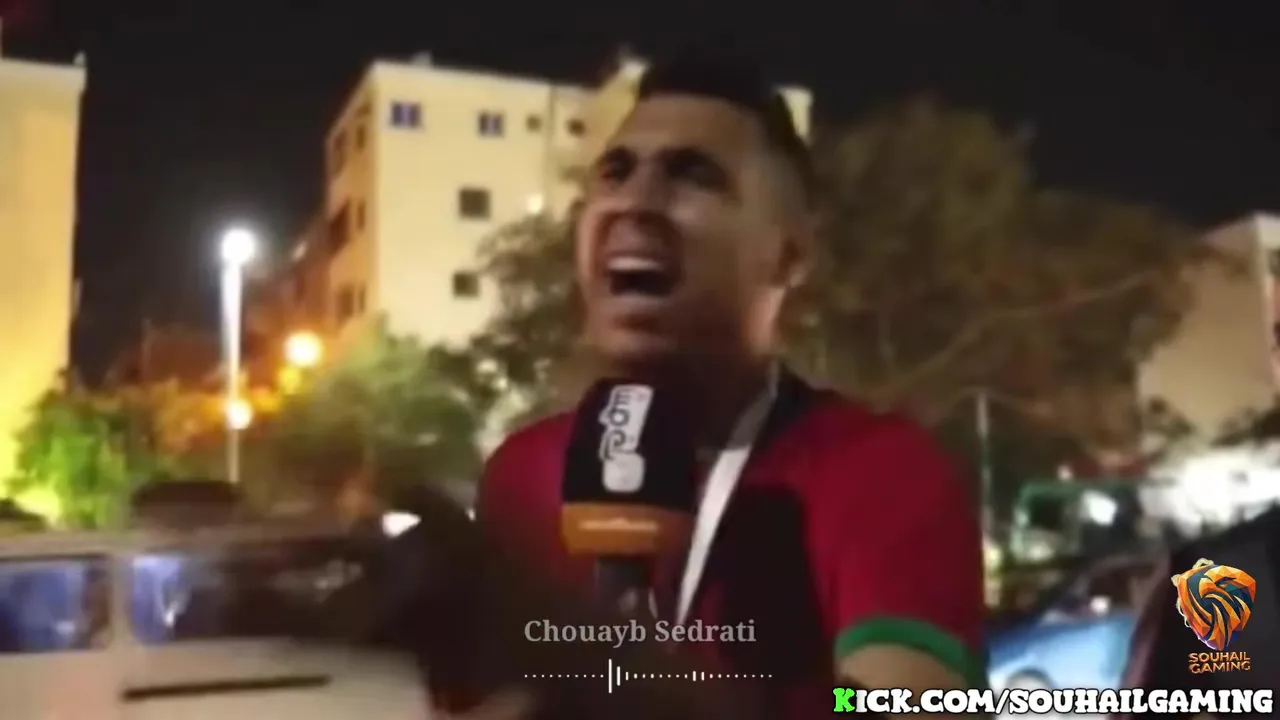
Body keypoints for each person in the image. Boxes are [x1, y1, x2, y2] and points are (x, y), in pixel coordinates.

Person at [470, 53, 986, 718]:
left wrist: (648, 692)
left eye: (693, 175)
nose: (634, 202)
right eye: (616, 172)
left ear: (788, 256)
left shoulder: (879, 472)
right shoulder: (519, 476)